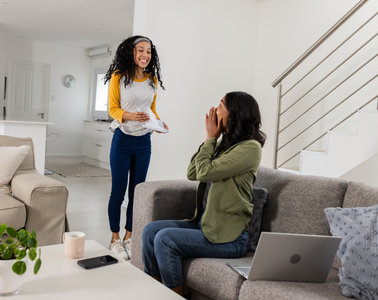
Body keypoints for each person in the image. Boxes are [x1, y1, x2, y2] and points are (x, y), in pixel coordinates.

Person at [141, 91, 265, 295]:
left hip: (231, 239)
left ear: (236, 113)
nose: (215, 109)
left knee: (165, 238)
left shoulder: (250, 148)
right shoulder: (226, 145)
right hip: (205, 225)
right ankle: (154, 292)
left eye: (221, 105)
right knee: (150, 231)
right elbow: (193, 173)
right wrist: (211, 140)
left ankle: (174, 295)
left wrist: (210, 138)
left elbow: (205, 172)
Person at [104, 35, 168, 260]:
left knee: (137, 193)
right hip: (122, 140)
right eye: (141, 50)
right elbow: (112, 109)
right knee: (118, 192)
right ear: (131, 52)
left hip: (144, 142)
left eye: (149, 51)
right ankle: (114, 238)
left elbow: (151, 109)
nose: (145, 55)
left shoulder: (152, 80)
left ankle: (129, 236)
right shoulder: (119, 77)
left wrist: (158, 123)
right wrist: (131, 115)